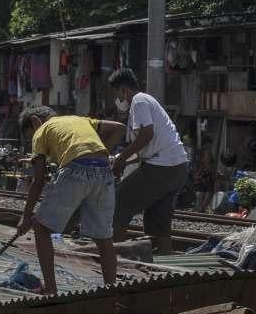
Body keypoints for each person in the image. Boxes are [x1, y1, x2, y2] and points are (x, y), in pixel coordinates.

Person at [16, 105, 126, 295]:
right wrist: (101, 153)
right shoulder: (81, 119)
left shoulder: (41, 130)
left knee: (40, 228)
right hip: (103, 170)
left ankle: (50, 289)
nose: (31, 139)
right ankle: (111, 293)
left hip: (75, 169)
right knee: (103, 237)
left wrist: (26, 216)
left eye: (29, 135)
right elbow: (119, 128)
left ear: (35, 121)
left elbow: (39, 178)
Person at [108, 68, 189, 254]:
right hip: (177, 167)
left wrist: (121, 158)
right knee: (157, 221)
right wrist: (122, 162)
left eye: (118, 94)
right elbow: (145, 150)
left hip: (163, 167)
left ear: (124, 90)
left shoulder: (138, 101)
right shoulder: (147, 101)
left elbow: (146, 134)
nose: (119, 100)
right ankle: (162, 264)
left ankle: (115, 258)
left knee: (118, 205)